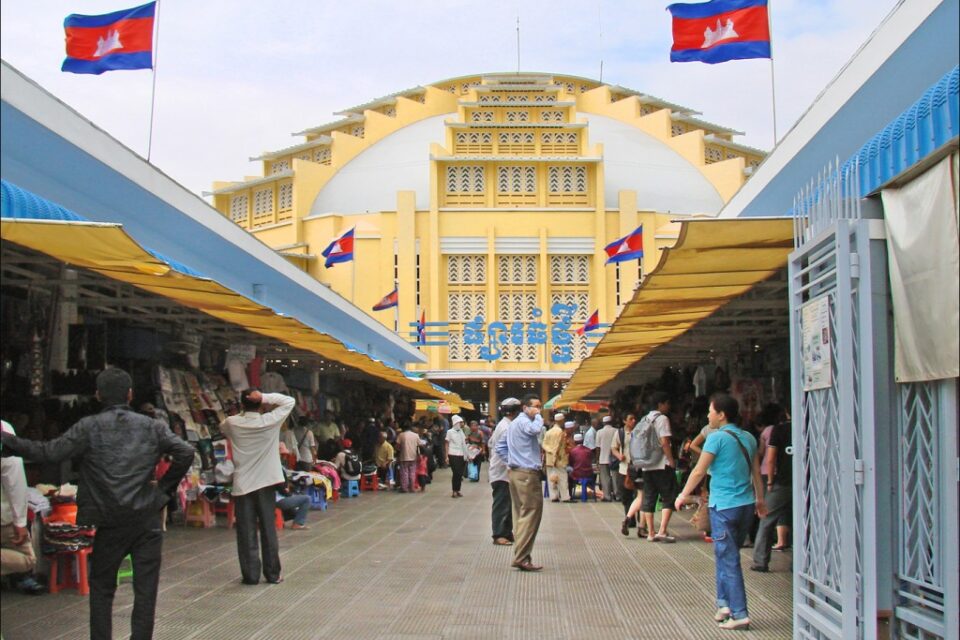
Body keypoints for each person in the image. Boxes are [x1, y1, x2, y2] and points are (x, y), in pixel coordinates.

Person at [0, 368, 194, 640]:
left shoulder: (88, 427)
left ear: (98, 395)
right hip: (146, 518)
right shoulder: (151, 426)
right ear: (129, 394)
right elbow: (185, 451)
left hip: (110, 519)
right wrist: (162, 493)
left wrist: (9, 441)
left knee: (102, 588)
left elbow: (49, 452)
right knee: (145, 589)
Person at [676, 393, 766, 631]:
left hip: (724, 506)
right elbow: (756, 471)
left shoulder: (716, 438)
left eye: (710, 411)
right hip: (746, 505)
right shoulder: (748, 438)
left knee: (729, 559)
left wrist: (683, 495)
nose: (708, 415)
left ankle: (739, 613)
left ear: (722, 414)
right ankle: (724, 604)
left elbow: (698, 471)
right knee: (726, 555)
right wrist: (760, 499)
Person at [220, 388, 295, 586]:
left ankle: (251, 575)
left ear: (242, 404)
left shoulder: (232, 423)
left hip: (243, 485)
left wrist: (242, 411)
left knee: (246, 530)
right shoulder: (270, 421)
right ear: (260, 404)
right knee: (268, 529)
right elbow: (289, 401)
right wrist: (265, 397)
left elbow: (222, 426)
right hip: (267, 483)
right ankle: (273, 574)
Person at [496, 393, 545, 572]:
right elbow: (535, 430)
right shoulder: (524, 421)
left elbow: (500, 446)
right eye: (536, 406)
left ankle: (522, 555)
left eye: (540, 407)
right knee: (531, 514)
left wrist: (510, 462)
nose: (539, 410)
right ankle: (522, 557)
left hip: (516, 472)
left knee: (521, 515)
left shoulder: (513, 424)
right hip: (527, 473)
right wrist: (538, 417)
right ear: (525, 408)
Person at [0, 420, 44, 594]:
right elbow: (15, 481)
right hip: (4, 518)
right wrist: (20, 521)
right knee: (28, 559)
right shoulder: (3, 429)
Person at [751, 416, 792, 572]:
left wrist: (769, 481)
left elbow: (770, 458)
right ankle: (804, 564)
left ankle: (760, 561)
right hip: (806, 483)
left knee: (767, 520)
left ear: (786, 413)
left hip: (782, 482)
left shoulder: (778, 429)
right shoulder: (808, 425)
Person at [638, 392, 679, 543]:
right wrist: (671, 459)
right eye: (667, 403)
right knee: (668, 496)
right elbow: (664, 442)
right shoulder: (662, 419)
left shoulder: (643, 419)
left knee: (649, 497)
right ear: (660, 404)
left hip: (647, 465)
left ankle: (650, 532)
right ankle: (662, 530)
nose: (668, 407)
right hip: (662, 464)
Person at [489, 398, 519, 545]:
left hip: (502, 471)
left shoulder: (505, 425)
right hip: (502, 472)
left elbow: (490, 444)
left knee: (507, 502)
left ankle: (507, 532)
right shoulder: (506, 427)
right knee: (501, 503)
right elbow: (504, 450)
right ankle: (499, 534)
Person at [612, 413, 639, 535]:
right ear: (624, 421)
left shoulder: (638, 431)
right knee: (626, 495)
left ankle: (639, 519)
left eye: (634, 419)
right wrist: (619, 456)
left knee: (638, 495)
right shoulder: (620, 433)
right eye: (630, 419)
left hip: (637, 467)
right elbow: (613, 448)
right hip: (624, 468)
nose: (633, 421)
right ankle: (630, 518)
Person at [541, 412, 571, 503]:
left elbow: (544, 444)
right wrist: (554, 455)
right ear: (561, 421)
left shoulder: (548, 432)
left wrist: (549, 452)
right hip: (559, 458)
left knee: (551, 478)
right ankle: (565, 497)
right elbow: (557, 446)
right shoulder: (560, 432)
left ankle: (554, 496)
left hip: (549, 459)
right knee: (562, 478)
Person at [596, 415, 619, 501]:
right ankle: (617, 495)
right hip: (615, 458)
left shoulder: (599, 432)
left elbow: (598, 447)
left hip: (603, 458)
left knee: (605, 478)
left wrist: (597, 459)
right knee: (615, 477)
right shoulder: (616, 431)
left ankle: (607, 496)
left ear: (603, 423)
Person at [445, 415, 468, 497]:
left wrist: (467, 454)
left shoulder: (461, 432)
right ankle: (454, 490)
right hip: (453, 454)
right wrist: (446, 456)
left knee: (460, 474)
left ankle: (458, 490)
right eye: (460, 422)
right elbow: (447, 444)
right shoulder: (449, 432)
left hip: (461, 454)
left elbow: (464, 443)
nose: (462, 424)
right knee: (456, 472)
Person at [395, 423, 420, 493]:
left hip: (404, 456)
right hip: (413, 456)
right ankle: (412, 488)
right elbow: (419, 445)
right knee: (412, 472)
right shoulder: (416, 435)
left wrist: (399, 451)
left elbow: (397, 446)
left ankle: (404, 488)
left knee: (404, 472)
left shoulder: (401, 435)